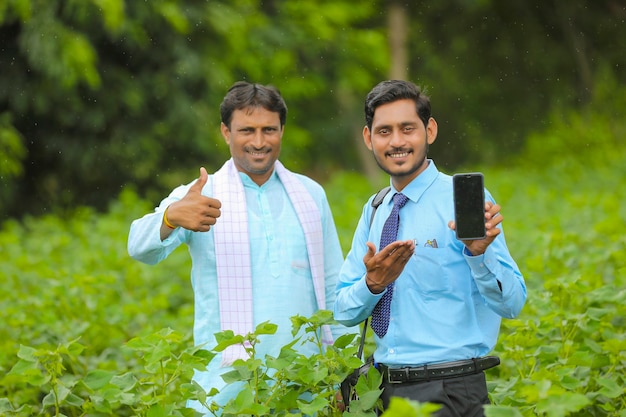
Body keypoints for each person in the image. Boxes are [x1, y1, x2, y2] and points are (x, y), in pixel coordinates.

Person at [127, 81, 345, 414]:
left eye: (268, 129)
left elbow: (333, 287)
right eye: (247, 130)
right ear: (226, 133)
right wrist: (171, 217)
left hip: (305, 383)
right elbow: (138, 246)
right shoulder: (202, 195)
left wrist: (340, 372)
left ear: (282, 131)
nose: (259, 142)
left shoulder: (310, 194)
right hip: (223, 386)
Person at [334, 80, 527, 416]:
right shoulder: (376, 208)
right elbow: (344, 311)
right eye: (384, 131)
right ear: (368, 138)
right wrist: (373, 284)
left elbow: (512, 303)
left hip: (450, 388)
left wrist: (479, 255)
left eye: (407, 128)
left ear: (430, 130)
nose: (396, 142)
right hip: (382, 390)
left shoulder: (463, 201)